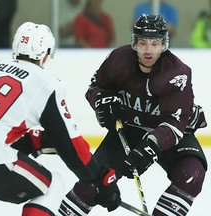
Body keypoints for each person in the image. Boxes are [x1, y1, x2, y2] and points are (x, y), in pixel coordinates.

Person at [0, 22, 122, 216]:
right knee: (53, 186)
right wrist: (99, 178)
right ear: (46, 54)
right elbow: (70, 145)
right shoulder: (46, 83)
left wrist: (32, 143)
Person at [58, 14, 208, 216]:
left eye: (155, 44)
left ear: (164, 44)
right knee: (91, 185)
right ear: (134, 43)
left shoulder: (177, 74)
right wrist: (102, 101)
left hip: (169, 134)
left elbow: (174, 124)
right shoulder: (118, 60)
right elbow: (95, 88)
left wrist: (150, 146)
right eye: (143, 43)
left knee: (192, 174)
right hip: (129, 131)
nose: (148, 50)